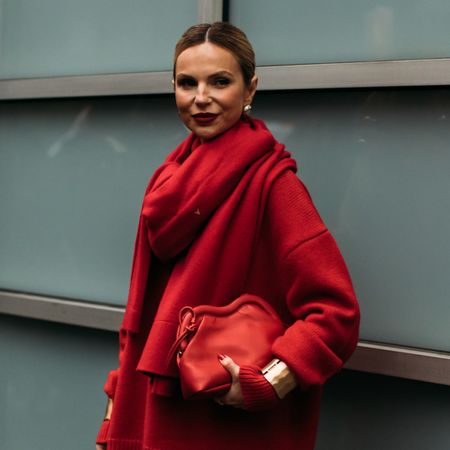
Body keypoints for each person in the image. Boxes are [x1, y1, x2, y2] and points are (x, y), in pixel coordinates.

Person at [96, 22, 360, 450]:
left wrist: (270, 381)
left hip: (227, 427)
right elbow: (144, 318)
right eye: (187, 83)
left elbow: (336, 315)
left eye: (220, 81)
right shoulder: (167, 184)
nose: (201, 98)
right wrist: (115, 414)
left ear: (250, 88)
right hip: (160, 417)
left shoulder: (274, 185)